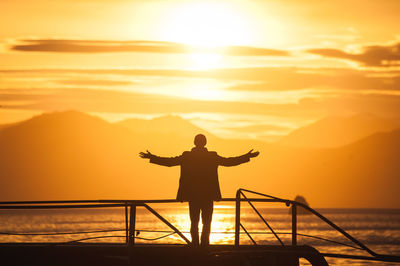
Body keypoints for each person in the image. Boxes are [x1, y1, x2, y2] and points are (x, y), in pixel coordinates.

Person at [139, 134, 259, 246]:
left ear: (195, 143)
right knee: (206, 223)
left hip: (193, 195)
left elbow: (169, 162)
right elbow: (229, 162)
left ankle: (195, 246)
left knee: (194, 222)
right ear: (205, 143)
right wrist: (247, 156)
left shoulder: (187, 156)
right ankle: (205, 246)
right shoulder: (212, 156)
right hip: (208, 195)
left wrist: (152, 157)